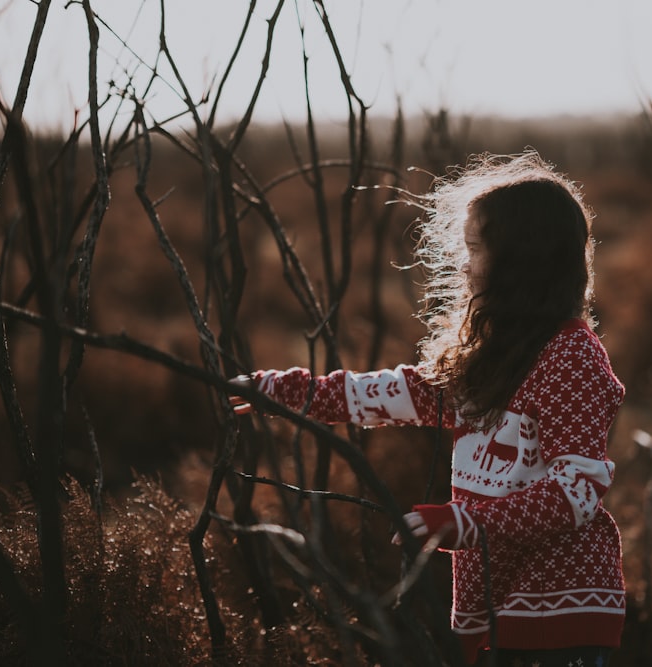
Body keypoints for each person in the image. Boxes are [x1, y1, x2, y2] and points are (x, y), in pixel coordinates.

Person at [230, 151, 625, 667]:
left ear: (519, 261)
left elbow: (577, 491)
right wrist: (281, 393)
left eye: (475, 248)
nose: (464, 263)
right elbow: (388, 394)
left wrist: (466, 523)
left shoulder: (570, 357)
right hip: (493, 603)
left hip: (560, 610)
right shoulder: (496, 359)